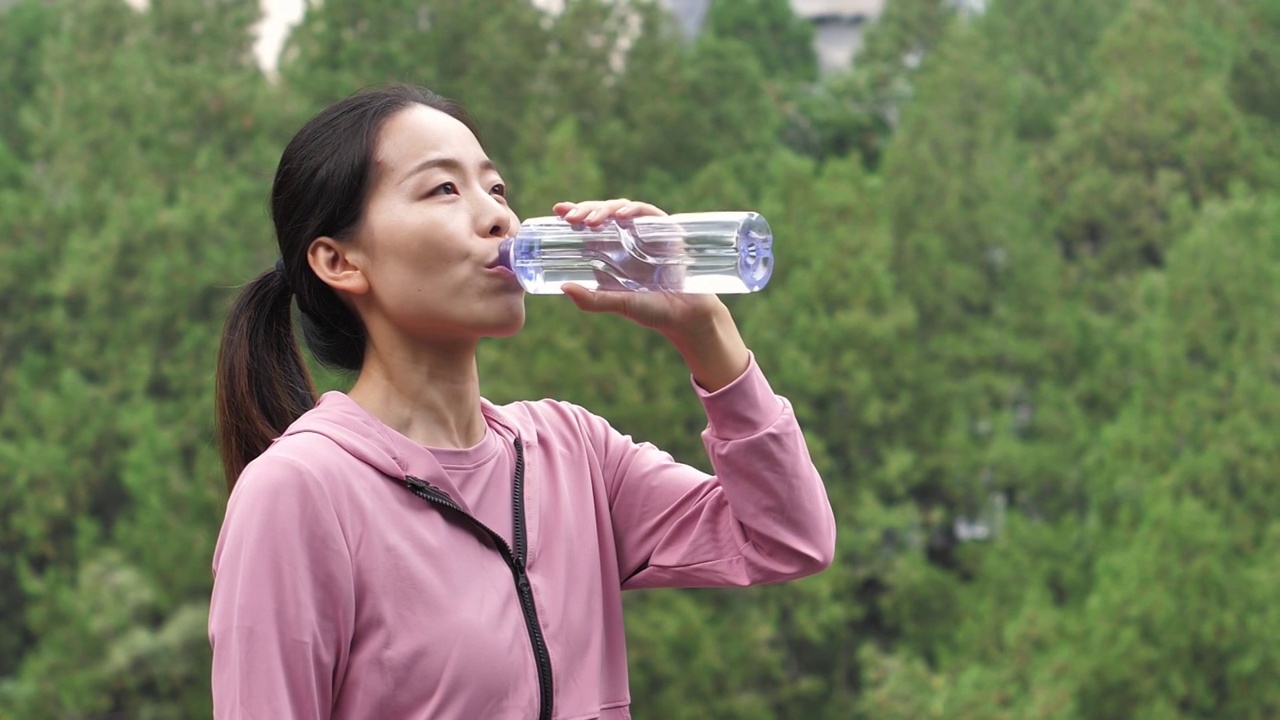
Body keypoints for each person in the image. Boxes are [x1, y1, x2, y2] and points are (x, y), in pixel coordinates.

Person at [208, 83, 836, 720]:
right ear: (339, 261)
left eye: (496, 189)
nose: (499, 218)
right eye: (444, 189)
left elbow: (787, 539)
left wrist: (704, 331)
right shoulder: (300, 492)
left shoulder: (573, 453)